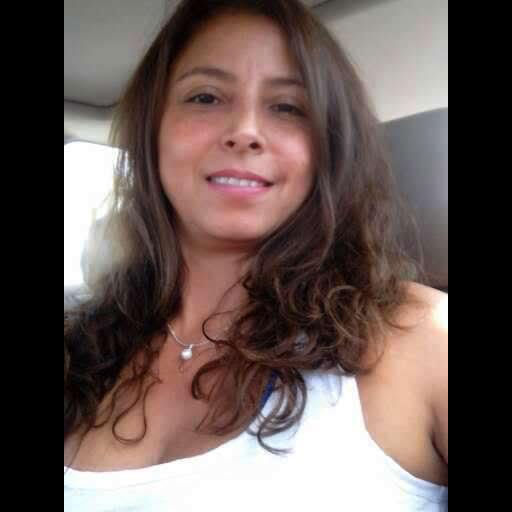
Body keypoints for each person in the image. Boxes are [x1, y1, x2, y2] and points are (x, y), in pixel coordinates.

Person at [64, 0, 448, 510]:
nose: (244, 130)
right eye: (205, 97)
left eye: (288, 107)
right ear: (152, 131)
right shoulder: (81, 347)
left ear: (328, 148)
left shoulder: (423, 336)